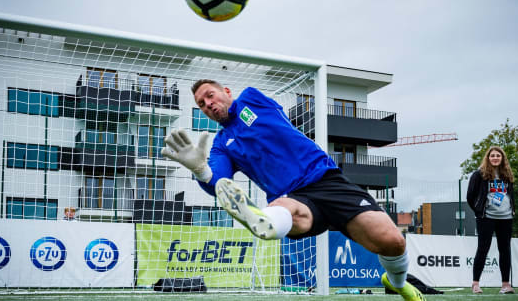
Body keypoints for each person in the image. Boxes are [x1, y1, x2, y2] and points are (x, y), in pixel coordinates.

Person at [161, 79, 425, 301]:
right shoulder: (221, 146)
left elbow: (256, 124)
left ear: (226, 92)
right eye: (201, 104)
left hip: (326, 181)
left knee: (392, 241)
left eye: (210, 95)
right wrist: (200, 170)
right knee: (282, 211)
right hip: (292, 198)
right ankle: (262, 220)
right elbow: (219, 184)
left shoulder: (251, 99)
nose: (208, 104)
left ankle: (397, 283)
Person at [466, 146, 515, 294]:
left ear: (502, 158)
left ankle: (506, 285)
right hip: (486, 217)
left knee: (505, 250)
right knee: (483, 249)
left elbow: (510, 195)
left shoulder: (507, 175)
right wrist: (479, 211)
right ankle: (475, 284)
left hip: (506, 217)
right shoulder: (479, 174)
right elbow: (470, 196)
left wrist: (512, 210)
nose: (495, 158)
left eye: (498, 156)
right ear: (488, 158)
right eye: (492, 155)